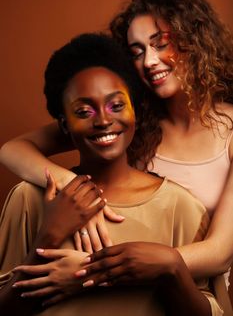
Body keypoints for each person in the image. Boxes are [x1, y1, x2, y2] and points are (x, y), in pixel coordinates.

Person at [0, 33, 222, 315]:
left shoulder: (180, 207)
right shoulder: (29, 199)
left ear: (135, 113)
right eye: (84, 111)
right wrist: (49, 237)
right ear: (64, 125)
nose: (104, 120)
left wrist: (172, 265)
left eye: (116, 106)